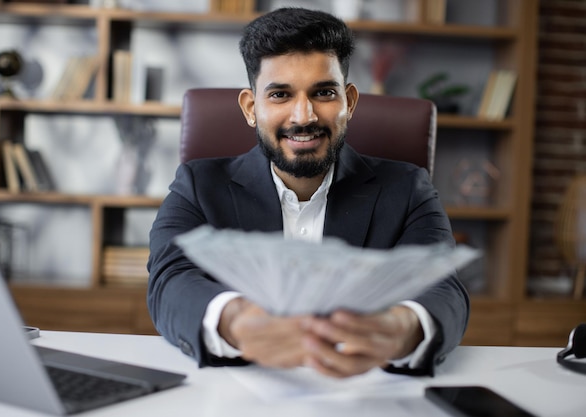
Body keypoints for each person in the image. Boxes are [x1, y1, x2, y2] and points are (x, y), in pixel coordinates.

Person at [147, 7, 469, 378]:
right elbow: (169, 280)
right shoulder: (197, 185)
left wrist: (401, 329)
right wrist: (234, 321)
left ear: (349, 101)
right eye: (281, 95)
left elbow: (445, 287)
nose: (303, 117)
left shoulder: (409, 188)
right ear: (252, 108)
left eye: (324, 93)